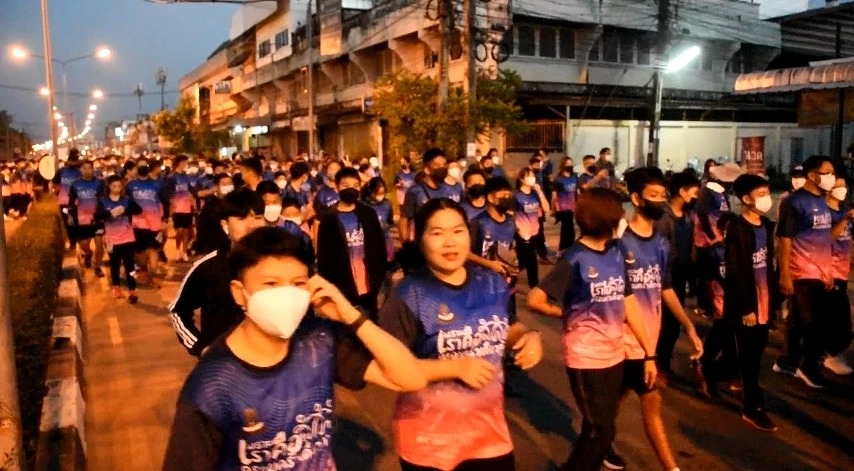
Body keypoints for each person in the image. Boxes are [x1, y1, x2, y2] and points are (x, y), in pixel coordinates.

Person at [162, 227, 426, 471]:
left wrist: (350, 316)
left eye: (298, 284)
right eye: (271, 284)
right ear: (239, 293)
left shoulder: (320, 340)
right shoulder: (212, 384)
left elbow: (409, 378)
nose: (287, 295)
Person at [377, 198, 542, 471]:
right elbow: (388, 369)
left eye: (457, 231)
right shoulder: (409, 294)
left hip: (490, 436)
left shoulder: (492, 283)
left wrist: (530, 336)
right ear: (421, 240)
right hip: (429, 441)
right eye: (437, 233)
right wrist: (453, 367)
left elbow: (508, 326)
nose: (450, 242)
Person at [528, 187, 657, 471]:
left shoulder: (616, 251)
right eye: (619, 215)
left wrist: (649, 353)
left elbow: (629, 302)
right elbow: (535, 299)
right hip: (585, 358)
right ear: (604, 218)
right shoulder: (574, 259)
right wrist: (563, 312)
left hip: (615, 355)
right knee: (602, 431)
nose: (623, 220)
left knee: (600, 428)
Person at [611, 168, 702, 470]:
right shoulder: (620, 243)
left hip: (650, 342)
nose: (660, 202)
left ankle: (668, 466)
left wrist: (689, 326)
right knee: (620, 405)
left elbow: (665, 287)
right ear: (635, 199)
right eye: (653, 196)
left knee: (648, 407)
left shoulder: (662, 242)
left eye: (662, 195)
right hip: (623, 343)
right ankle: (604, 445)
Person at [169, 189, 266, 357]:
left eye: (258, 217)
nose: (252, 225)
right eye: (242, 218)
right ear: (225, 225)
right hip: (224, 367)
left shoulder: (283, 264)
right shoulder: (207, 267)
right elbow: (178, 311)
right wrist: (202, 348)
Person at [721, 174, 779, 432]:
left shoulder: (766, 225)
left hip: (765, 300)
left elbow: (769, 266)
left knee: (755, 352)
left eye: (768, 192)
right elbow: (735, 270)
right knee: (750, 358)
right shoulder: (737, 228)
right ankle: (752, 407)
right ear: (746, 199)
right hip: (747, 304)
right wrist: (746, 308)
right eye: (761, 193)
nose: (767, 198)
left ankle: (711, 370)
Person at [774, 155, 835, 389]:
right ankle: (808, 366)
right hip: (802, 272)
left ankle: (787, 361)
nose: (831, 177)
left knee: (799, 321)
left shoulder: (822, 201)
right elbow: (785, 240)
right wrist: (785, 275)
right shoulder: (794, 202)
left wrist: (827, 271)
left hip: (820, 272)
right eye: (826, 172)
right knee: (813, 323)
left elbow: (823, 239)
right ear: (812, 175)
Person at [316, 167, 387, 318]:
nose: (351, 189)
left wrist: (379, 276)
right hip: (343, 287)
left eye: (355, 185)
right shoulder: (329, 219)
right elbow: (324, 258)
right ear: (336, 187)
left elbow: (379, 247)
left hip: (370, 286)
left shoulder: (368, 214)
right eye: (345, 185)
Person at [654, 171, 701, 375]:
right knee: (663, 324)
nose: (696, 196)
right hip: (664, 278)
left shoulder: (688, 216)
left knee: (673, 325)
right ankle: (657, 364)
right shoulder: (663, 218)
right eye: (694, 192)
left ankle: (663, 362)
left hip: (679, 275)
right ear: (682, 191)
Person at [468, 176, 520, 319]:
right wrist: (490, 264)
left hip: (508, 286)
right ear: (490, 198)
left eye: (509, 195)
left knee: (510, 324)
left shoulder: (511, 221)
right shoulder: (478, 223)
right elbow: (465, 253)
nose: (507, 199)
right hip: (482, 287)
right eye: (502, 195)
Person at [824, 174, 854, 375]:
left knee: (839, 317)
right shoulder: (824, 213)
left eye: (844, 186)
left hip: (842, 272)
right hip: (827, 272)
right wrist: (844, 220)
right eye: (838, 186)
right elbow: (827, 239)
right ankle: (831, 356)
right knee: (838, 318)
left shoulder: (844, 211)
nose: (842, 190)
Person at [95, 175, 142, 303]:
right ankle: (116, 287)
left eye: (119, 186)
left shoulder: (126, 200)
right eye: (114, 186)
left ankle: (132, 289)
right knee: (114, 264)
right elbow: (97, 216)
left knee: (130, 265)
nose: (117, 189)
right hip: (112, 239)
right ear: (109, 187)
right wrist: (110, 213)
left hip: (127, 237)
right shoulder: (103, 201)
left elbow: (138, 210)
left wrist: (125, 211)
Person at [399, 148, 462, 241]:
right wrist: (406, 245)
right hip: (422, 245)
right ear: (427, 169)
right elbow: (404, 220)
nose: (442, 168)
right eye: (437, 165)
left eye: (444, 165)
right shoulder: (415, 191)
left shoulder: (448, 190)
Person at [126, 160, 168, 286]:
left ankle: (153, 276)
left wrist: (165, 219)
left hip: (155, 224)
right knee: (140, 252)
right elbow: (127, 204)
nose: (143, 168)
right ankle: (143, 269)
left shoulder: (157, 185)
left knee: (154, 249)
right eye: (140, 166)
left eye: (145, 166)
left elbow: (165, 202)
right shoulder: (130, 185)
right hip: (137, 224)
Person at [68, 160, 106, 277]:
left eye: (89, 168)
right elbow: (71, 202)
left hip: (97, 218)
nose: (87, 170)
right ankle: (89, 254)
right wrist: (70, 215)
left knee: (99, 244)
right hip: (82, 218)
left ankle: (98, 266)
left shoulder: (100, 183)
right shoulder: (75, 184)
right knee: (84, 244)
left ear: (93, 169)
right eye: (84, 168)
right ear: (81, 170)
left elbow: (103, 199)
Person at [514, 167, 551, 287]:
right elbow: (511, 215)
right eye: (528, 176)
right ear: (521, 179)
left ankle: (511, 276)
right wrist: (518, 230)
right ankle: (534, 287)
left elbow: (546, 208)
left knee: (525, 261)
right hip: (523, 235)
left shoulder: (535, 194)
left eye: (532, 176)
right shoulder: (516, 195)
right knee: (531, 262)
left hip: (535, 232)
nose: (532, 178)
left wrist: (540, 192)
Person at [166, 156, 196, 262]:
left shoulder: (186, 177)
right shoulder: (172, 177)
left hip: (187, 207)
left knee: (186, 230)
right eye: (184, 162)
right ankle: (177, 249)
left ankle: (184, 252)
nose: (185, 164)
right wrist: (171, 203)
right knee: (179, 230)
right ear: (179, 163)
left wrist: (194, 203)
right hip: (177, 208)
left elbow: (191, 190)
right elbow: (167, 192)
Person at [361, 177, 395, 261]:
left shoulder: (387, 204)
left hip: (385, 238)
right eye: (378, 193)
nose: (380, 197)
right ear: (371, 192)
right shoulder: (363, 205)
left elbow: (390, 220)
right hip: (369, 241)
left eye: (382, 193)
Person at [56, 148, 82, 248]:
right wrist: (58, 193)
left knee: (77, 222)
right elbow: (56, 183)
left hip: (78, 203)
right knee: (68, 222)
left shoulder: (80, 172)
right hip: (65, 202)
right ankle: (73, 241)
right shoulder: (61, 171)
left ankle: (78, 241)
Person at [552, 156, 579, 250]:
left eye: (571, 164)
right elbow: (554, 196)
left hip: (572, 206)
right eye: (567, 164)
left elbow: (576, 192)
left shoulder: (574, 177)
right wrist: (555, 208)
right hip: (563, 207)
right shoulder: (559, 180)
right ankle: (563, 248)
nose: (569, 166)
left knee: (570, 229)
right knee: (566, 229)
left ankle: (568, 247)